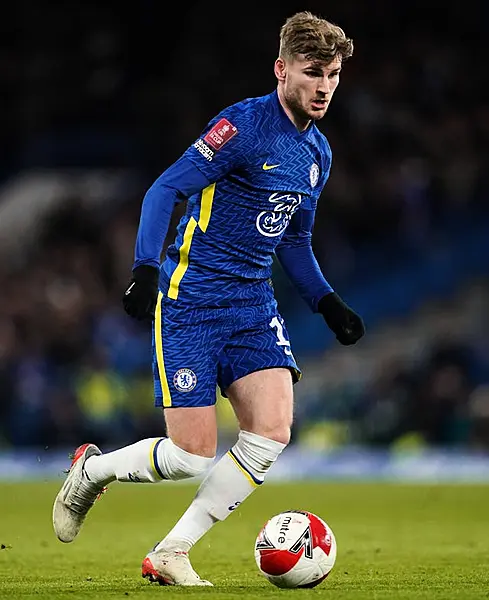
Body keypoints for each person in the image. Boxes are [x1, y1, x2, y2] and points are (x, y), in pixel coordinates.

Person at [52, 10, 365, 586]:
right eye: (313, 71)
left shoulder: (317, 153)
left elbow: (293, 238)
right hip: (190, 299)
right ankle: (92, 470)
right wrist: (145, 270)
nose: (324, 86)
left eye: (334, 74)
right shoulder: (242, 126)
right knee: (190, 456)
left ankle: (170, 553)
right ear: (282, 69)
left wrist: (326, 301)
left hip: (252, 304)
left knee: (271, 431)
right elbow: (166, 187)